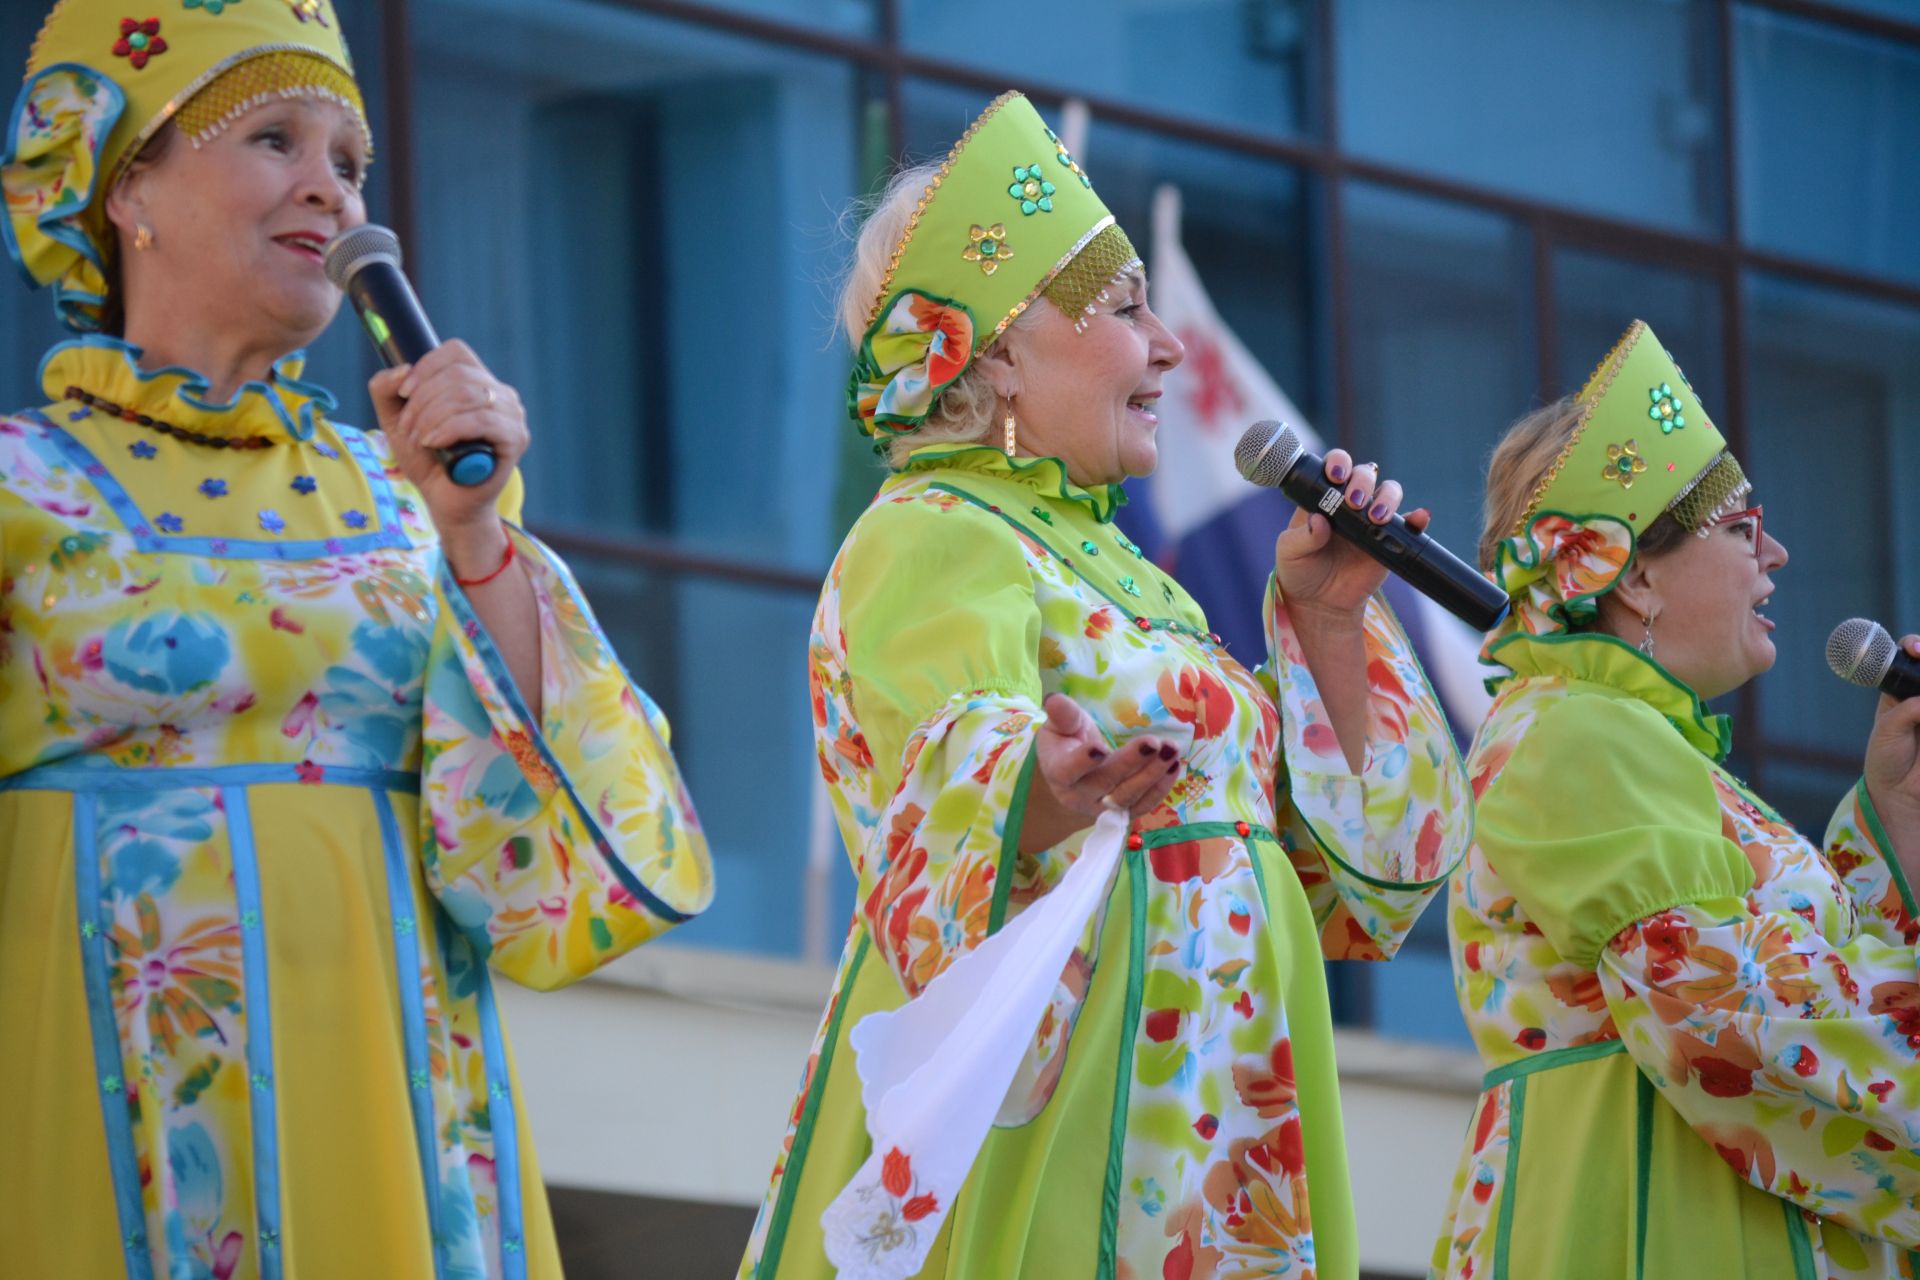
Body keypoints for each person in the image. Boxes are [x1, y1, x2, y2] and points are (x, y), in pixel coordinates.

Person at [0, 3, 712, 1274]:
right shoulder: (18, 488)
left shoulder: (413, 495)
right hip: (105, 1104)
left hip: (401, 1101)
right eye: (275, 138)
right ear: (126, 192)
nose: (330, 192)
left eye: (350, 161)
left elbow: (561, 844)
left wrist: (476, 533)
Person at [738, 91, 1472, 1280]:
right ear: (998, 353)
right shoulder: (933, 527)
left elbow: (1359, 880)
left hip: (1217, 1077)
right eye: (1126, 308)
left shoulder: (1138, 577)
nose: (1170, 346)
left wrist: (1329, 619)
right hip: (1085, 1068)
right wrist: (1045, 783)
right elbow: (940, 777)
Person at [1430, 320, 1920, 1278]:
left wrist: (1896, 806)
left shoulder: (1647, 747)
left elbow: (1789, 978)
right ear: (1638, 575)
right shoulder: (1576, 730)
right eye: (1741, 529)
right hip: (1642, 1213)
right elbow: (1719, 1004)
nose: (1775, 555)